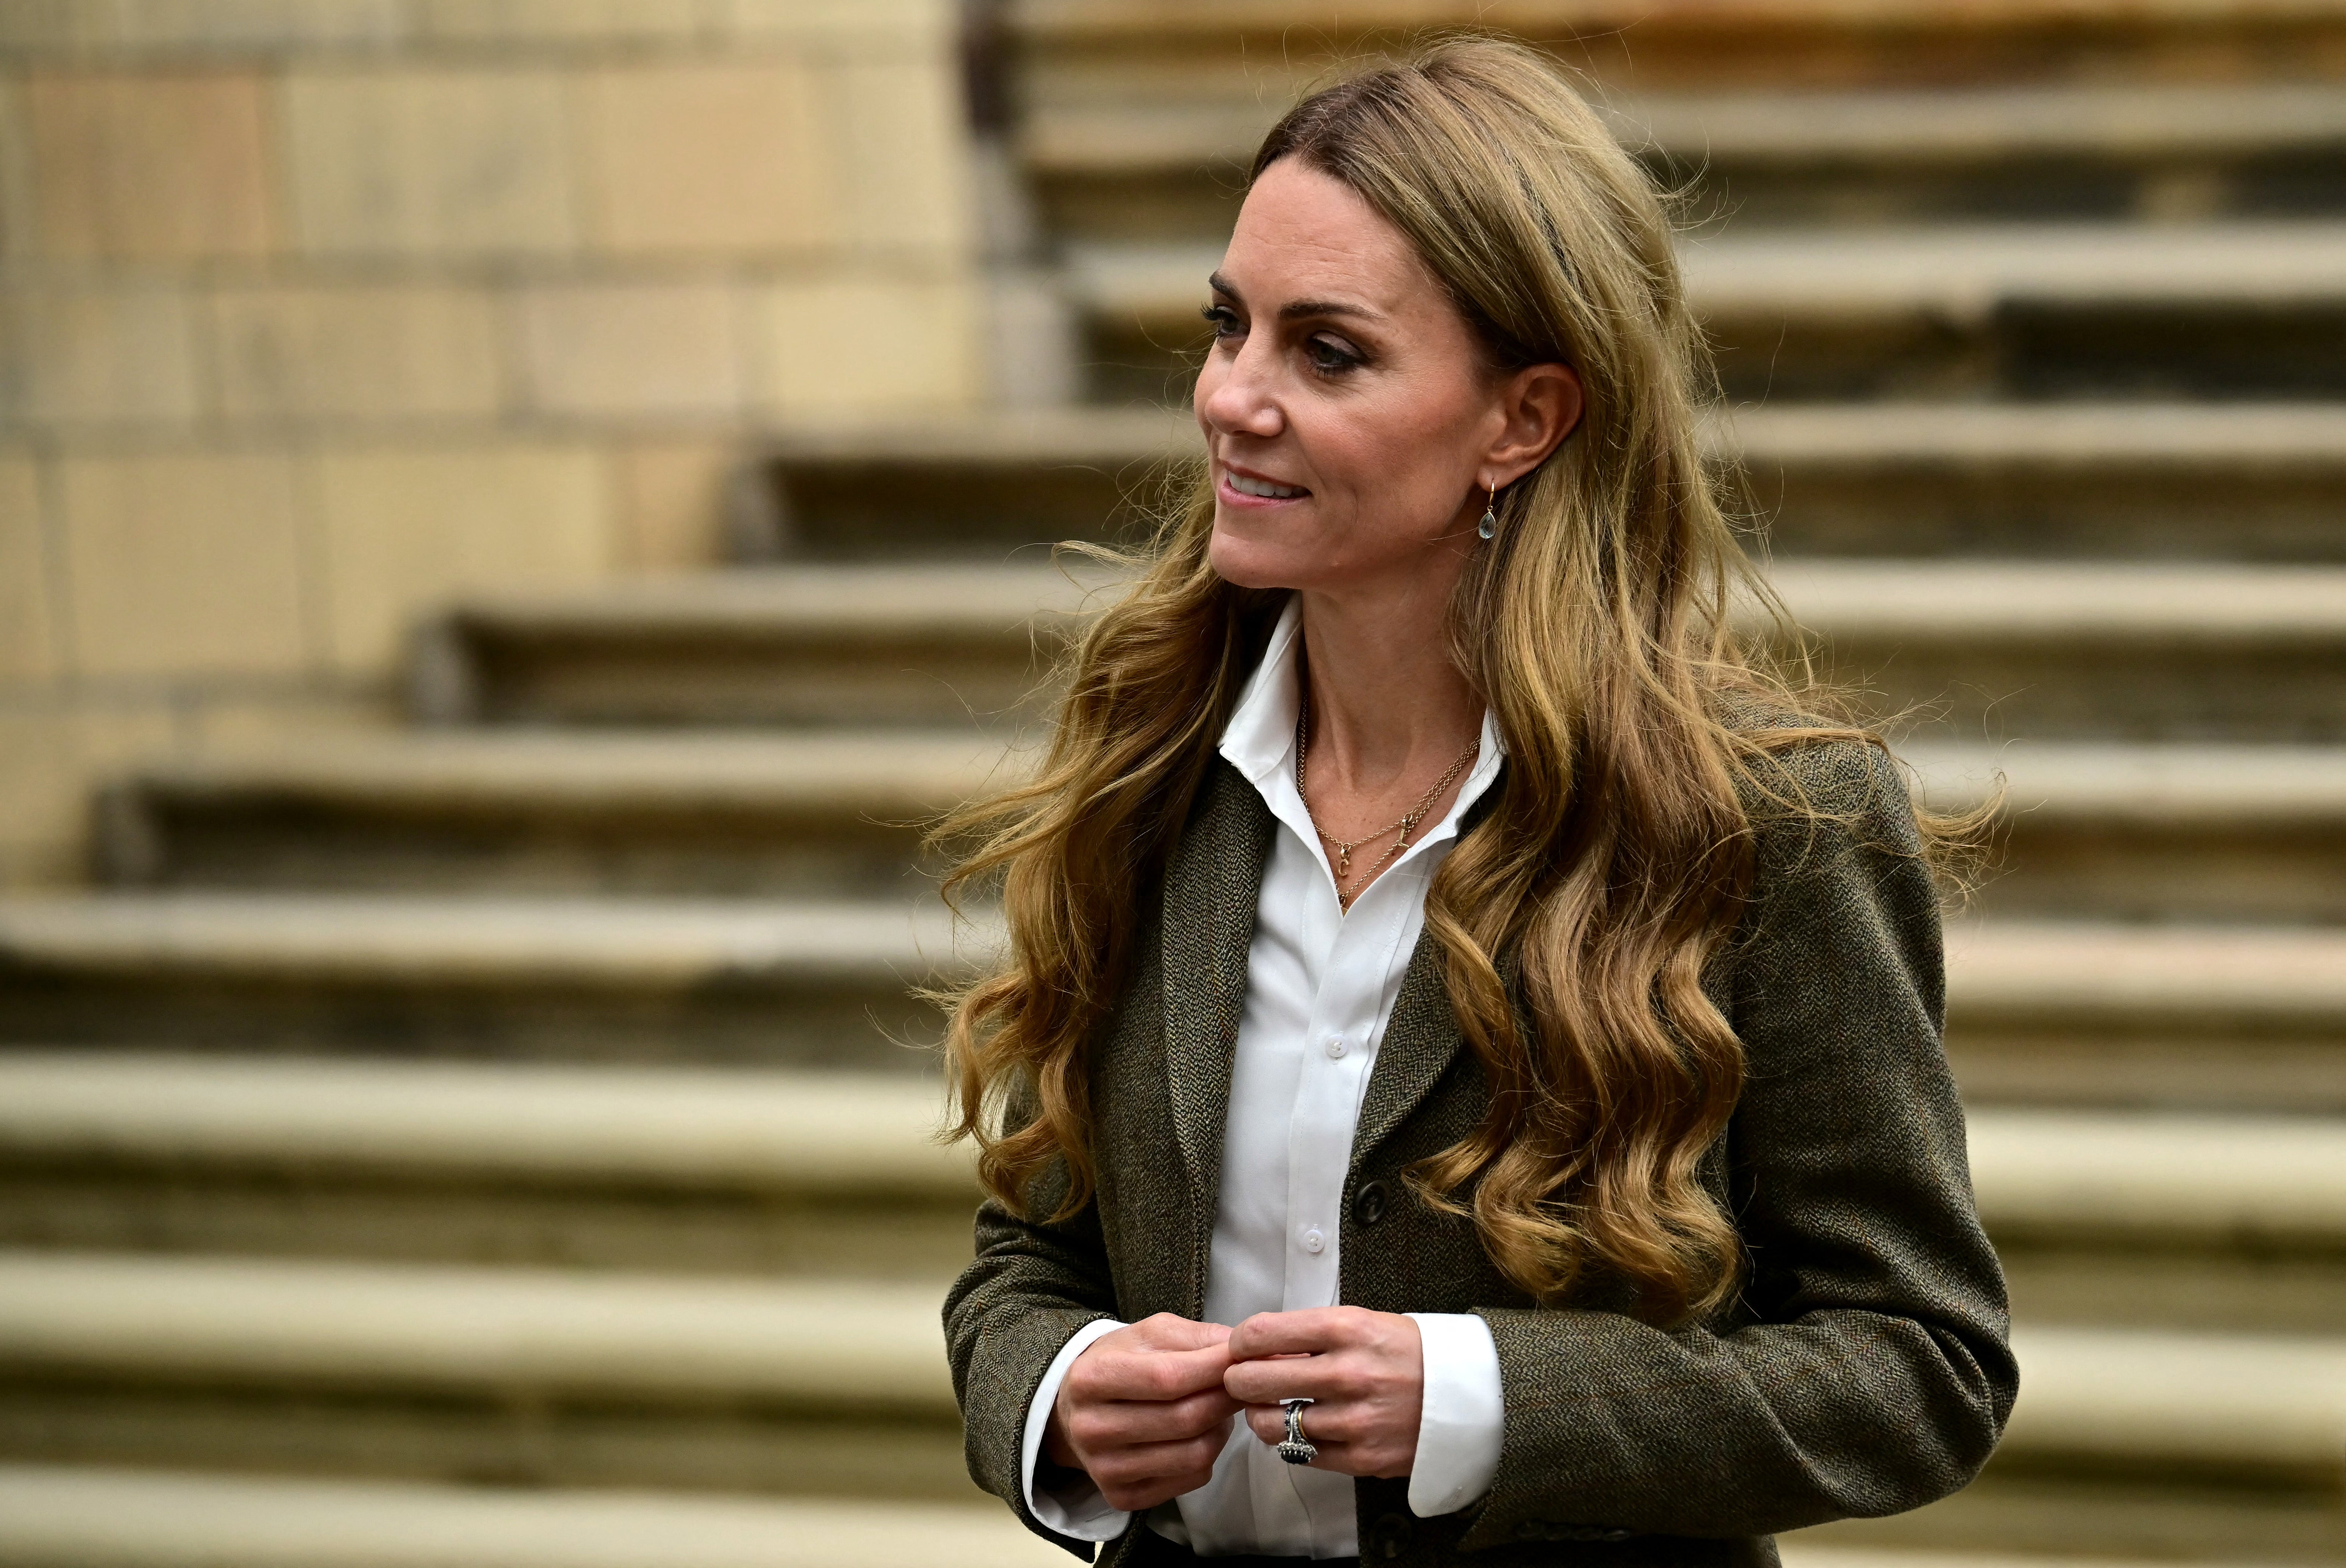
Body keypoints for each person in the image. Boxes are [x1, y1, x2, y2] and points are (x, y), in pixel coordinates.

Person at [939, 35, 2015, 1568]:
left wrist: (1487, 1398)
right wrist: (1053, 1392)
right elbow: (1025, 1251)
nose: (1233, 397)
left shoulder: (1769, 821)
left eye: (1329, 351)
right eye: (1227, 325)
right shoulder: (1151, 760)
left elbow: (1922, 1366)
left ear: (1522, 420)